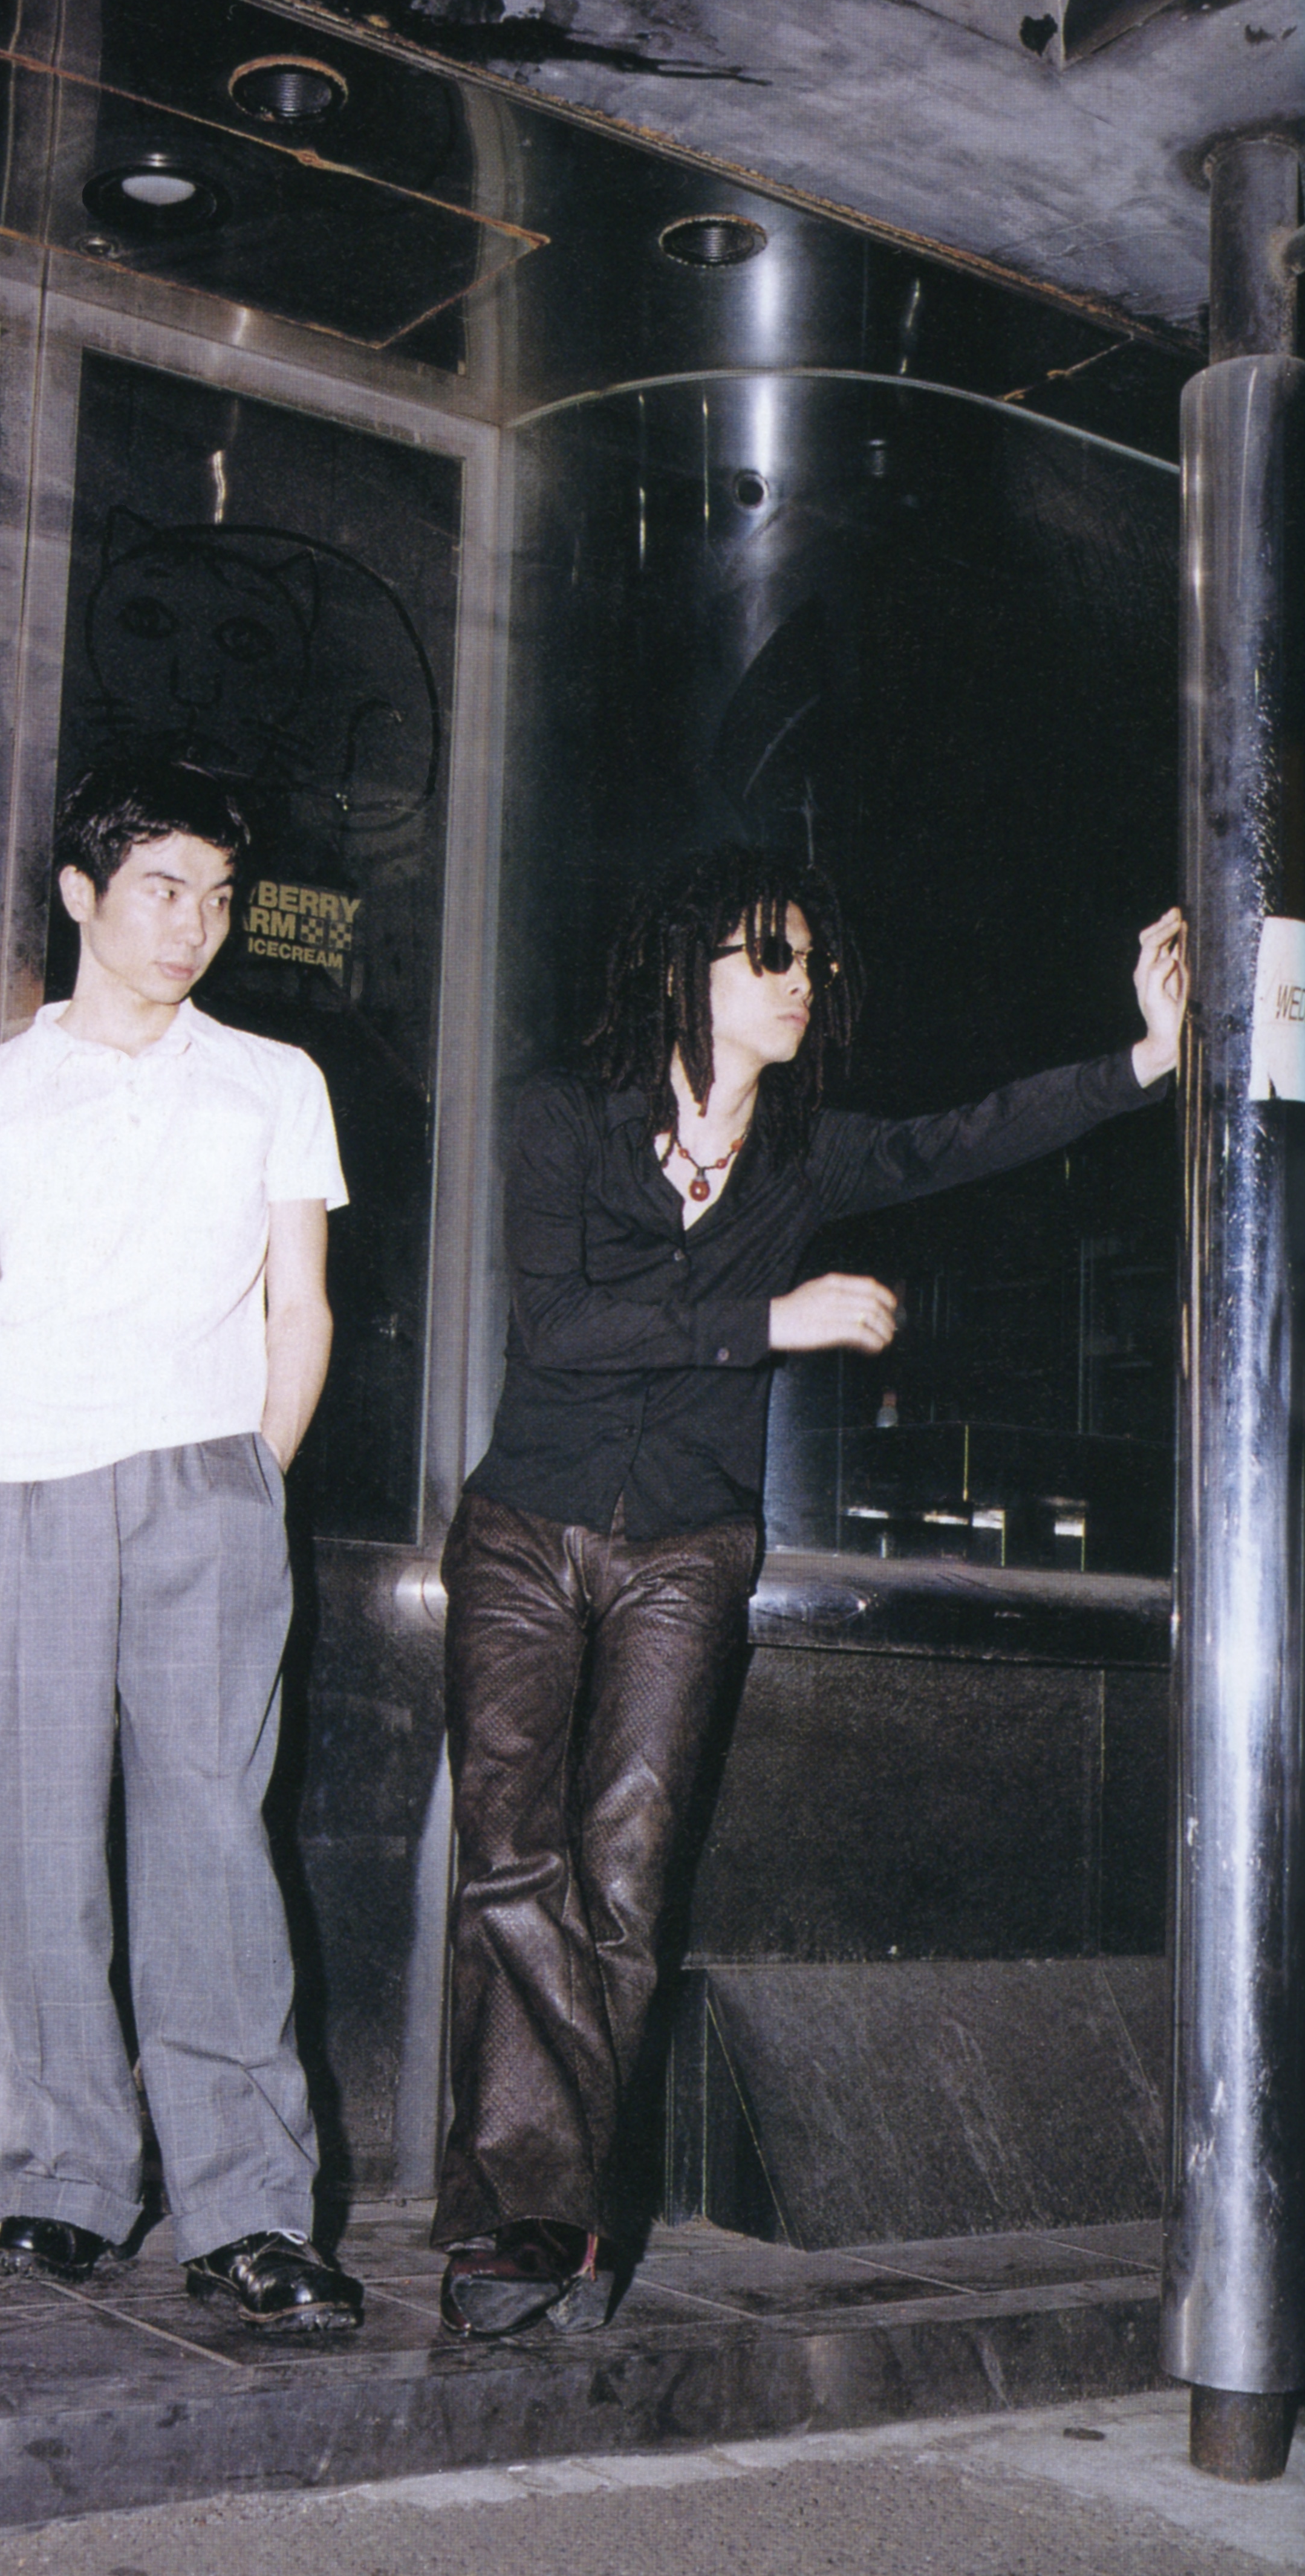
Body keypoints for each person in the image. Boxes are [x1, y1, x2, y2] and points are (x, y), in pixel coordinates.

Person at [434, 849, 1186, 2339]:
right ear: (682, 968)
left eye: (812, 964)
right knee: (512, 1865)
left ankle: (544, 2217)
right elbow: (562, 1325)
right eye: (768, 957)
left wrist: (1146, 1062)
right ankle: (531, 2209)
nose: (801, 984)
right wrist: (768, 1319)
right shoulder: (562, 1116)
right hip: (524, 1531)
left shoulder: (803, 1156)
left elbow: (968, 1137)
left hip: (688, 1548)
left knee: (627, 1874)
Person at [0, 755, 365, 2335]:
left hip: (206, 1483)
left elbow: (303, 1308)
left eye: (218, 897)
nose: (194, 925)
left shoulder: (274, 1080)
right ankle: (64, 2181)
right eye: (163, 888)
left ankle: (248, 2209)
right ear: (82, 892)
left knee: (214, 1844)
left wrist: (249, 1476)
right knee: (40, 1846)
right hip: (17, 1480)